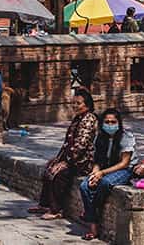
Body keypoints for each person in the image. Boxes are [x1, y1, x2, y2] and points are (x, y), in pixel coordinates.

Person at [29, 88, 99, 220]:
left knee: (59, 174)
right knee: (50, 167)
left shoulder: (89, 119)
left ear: (87, 105)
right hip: (71, 158)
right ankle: (44, 204)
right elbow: (68, 143)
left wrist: (66, 162)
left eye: (78, 103)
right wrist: (58, 159)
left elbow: (80, 146)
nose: (75, 106)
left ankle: (57, 209)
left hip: (82, 162)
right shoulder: (78, 118)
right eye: (74, 103)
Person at [80, 107, 136, 240]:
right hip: (106, 169)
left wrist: (101, 174)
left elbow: (124, 163)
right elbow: (97, 161)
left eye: (113, 122)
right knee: (84, 186)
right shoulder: (100, 138)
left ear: (118, 123)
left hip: (124, 170)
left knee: (105, 183)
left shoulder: (126, 137)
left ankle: (91, 212)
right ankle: (93, 226)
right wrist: (95, 174)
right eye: (107, 122)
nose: (110, 125)